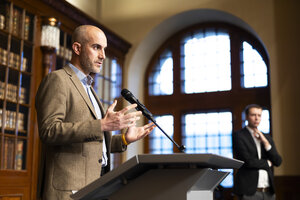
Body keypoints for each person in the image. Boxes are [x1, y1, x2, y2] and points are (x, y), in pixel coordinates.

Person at [35, 25, 155, 200]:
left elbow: (93, 143)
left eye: (104, 49)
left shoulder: (89, 89)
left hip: (95, 186)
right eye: (96, 47)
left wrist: (124, 139)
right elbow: (49, 131)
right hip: (68, 190)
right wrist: (102, 124)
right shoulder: (58, 80)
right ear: (77, 48)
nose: (103, 56)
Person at [233, 104, 282, 200]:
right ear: (247, 117)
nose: (257, 118)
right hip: (249, 192)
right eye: (253, 115)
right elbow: (247, 162)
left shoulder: (266, 137)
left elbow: (278, 161)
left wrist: (266, 143)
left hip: (269, 192)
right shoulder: (239, 135)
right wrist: (267, 163)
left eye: (259, 115)